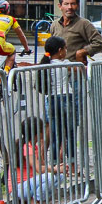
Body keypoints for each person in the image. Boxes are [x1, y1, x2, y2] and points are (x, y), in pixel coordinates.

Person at [38, 35, 78, 169]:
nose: (66, 51)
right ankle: (72, 164)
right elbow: (81, 70)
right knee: (70, 133)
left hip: (52, 100)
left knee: (55, 135)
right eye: (65, 48)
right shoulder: (65, 64)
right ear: (60, 50)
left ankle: (56, 166)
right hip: (66, 97)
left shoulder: (45, 65)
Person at [13, 115, 65, 204]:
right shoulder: (27, 147)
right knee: (50, 177)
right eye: (43, 129)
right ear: (38, 133)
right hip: (20, 187)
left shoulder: (34, 147)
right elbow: (39, 169)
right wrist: (55, 168)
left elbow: (42, 165)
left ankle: (37, 201)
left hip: (29, 184)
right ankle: (35, 203)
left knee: (60, 177)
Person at [48, 0, 102, 65]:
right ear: (60, 6)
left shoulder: (84, 24)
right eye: (66, 4)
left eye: (73, 4)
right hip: (57, 71)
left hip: (75, 72)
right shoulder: (54, 25)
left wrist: (82, 52)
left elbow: (100, 43)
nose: (70, 7)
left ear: (77, 5)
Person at [0, 0, 30, 70]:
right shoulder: (11, 19)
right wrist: (26, 49)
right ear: (7, 9)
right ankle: (6, 73)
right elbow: (21, 35)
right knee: (12, 52)